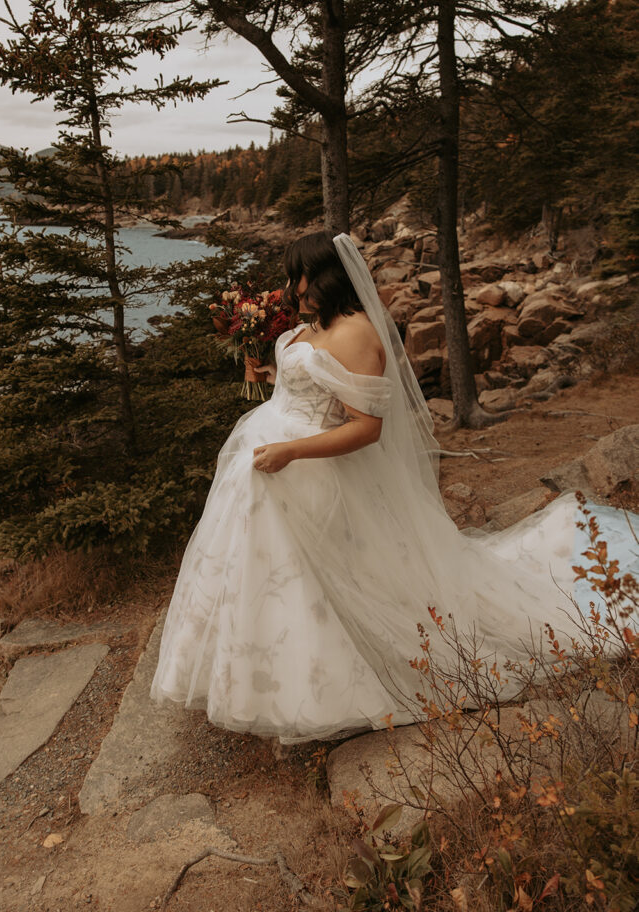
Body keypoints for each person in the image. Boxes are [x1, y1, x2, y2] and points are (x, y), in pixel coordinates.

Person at [150, 231, 638, 744]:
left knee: (316, 574)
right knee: (259, 568)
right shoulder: (315, 325)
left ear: (329, 277)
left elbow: (366, 427)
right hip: (269, 455)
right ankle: (255, 667)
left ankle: (318, 683)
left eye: (303, 277)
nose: (294, 288)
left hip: (308, 467)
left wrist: (291, 451)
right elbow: (308, 387)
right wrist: (268, 367)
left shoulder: (357, 333)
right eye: (293, 278)